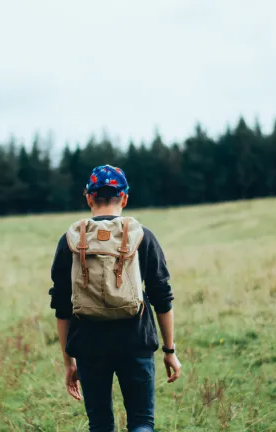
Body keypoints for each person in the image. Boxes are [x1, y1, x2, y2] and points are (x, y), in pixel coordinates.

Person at [48, 164, 181, 432]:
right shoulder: (142, 236)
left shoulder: (70, 240)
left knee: (99, 425)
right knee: (142, 422)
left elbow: (61, 308)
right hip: (137, 341)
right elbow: (162, 298)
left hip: (88, 345)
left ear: (88, 198)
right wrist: (169, 351)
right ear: (124, 198)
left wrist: (68, 362)